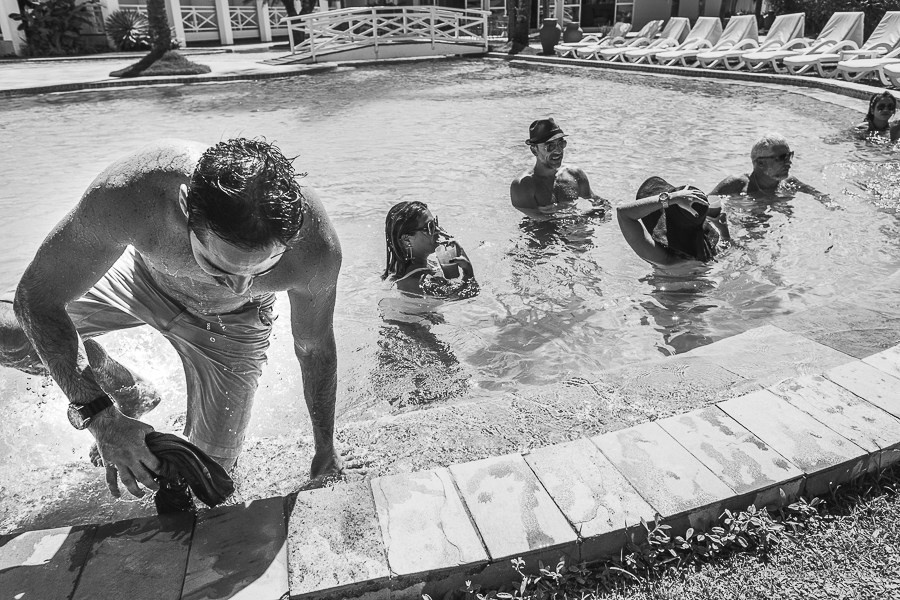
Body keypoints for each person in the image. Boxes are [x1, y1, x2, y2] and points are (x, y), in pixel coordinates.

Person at [0, 138, 342, 499]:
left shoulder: (314, 247)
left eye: (260, 271)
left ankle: (128, 387)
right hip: (143, 282)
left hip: (231, 325)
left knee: (202, 486)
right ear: (184, 209)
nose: (242, 286)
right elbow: (34, 300)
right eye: (219, 266)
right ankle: (117, 382)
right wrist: (101, 418)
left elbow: (313, 348)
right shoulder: (135, 192)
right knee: (8, 334)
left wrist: (325, 451)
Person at [617, 176, 729, 267]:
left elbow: (624, 214)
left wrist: (670, 198)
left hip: (668, 294)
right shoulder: (708, 249)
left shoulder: (663, 259)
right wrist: (723, 228)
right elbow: (726, 248)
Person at [510, 118, 610, 219]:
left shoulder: (575, 175)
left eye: (561, 144)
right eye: (550, 146)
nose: (558, 150)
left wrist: (606, 209)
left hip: (575, 231)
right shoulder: (523, 186)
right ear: (534, 150)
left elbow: (598, 202)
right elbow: (541, 224)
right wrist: (587, 215)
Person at [382, 201, 478, 299]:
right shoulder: (419, 283)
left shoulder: (405, 267)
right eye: (430, 227)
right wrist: (468, 271)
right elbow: (470, 295)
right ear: (407, 240)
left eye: (435, 223)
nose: (438, 230)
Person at [709, 133, 823, 198]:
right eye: (782, 157)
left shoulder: (788, 182)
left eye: (790, 156)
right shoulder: (737, 184)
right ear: (760, 163)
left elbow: (818, 195)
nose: (789, 162)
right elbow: (700, 204)